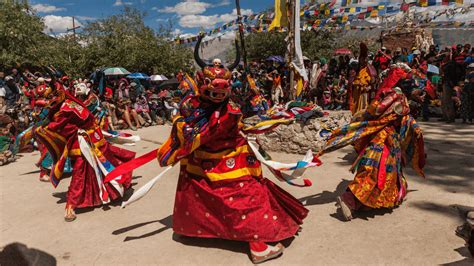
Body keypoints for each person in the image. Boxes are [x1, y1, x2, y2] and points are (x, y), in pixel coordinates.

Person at [155, 35, 311, 263]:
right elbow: (200, 134)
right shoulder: (221, 110)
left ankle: (194, 229)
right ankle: (257, 244)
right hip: (227, 163)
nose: (219, 90)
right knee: (246, 197)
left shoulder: (197, 105)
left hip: (211, 160)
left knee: (213, 194)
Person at [322, 63, 426, 221]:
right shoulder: (397, 96)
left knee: (380, 171)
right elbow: (377, 111)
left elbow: (379, 112)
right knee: (374, 170)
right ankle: (349, 199)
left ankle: (364, 203)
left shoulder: (398, 97)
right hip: (384, 138)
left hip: (388, 139)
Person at [34, 70, 135, 221]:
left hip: (85, 140)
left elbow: (56, 127)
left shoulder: (65, 108)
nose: (49, 100)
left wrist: (41, 130)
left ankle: (71, 205)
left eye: (51, 97)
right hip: (89, 137)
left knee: (85, 170)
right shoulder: (68, 103)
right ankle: (75, 202)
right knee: (90, 167)